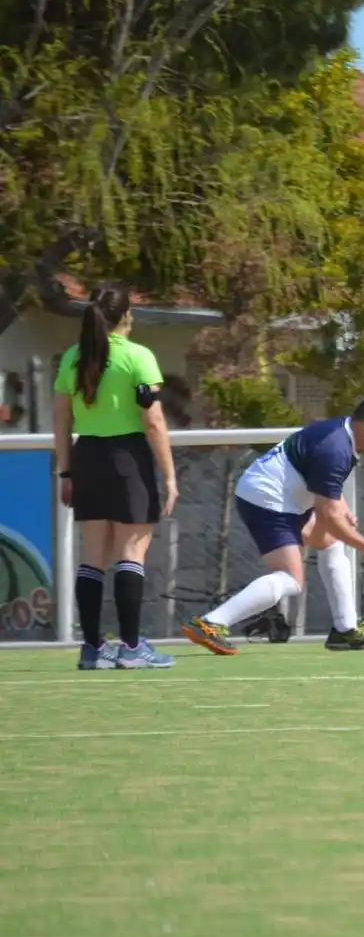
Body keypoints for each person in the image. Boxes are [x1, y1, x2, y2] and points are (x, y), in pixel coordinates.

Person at [180, 396, 364, 655]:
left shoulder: (341, 432)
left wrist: (342, 508)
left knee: (332, 543)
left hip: (284, 498)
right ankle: (210, 624)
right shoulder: (336, 448)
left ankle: (345, 629)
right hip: (268, 499)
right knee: (291, 579)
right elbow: (328, 515)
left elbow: (324, 485)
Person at [52, 284, 179, 670]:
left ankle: (91, 649)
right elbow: (153, 420)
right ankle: (131, 647)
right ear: (127, 316)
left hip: (87, 456)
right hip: (128, 458)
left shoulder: (73, 358)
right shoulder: (139, 358)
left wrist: (66, 471)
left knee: (93, 556)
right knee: (131, 552)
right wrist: (170, 476)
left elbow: (61, 420)